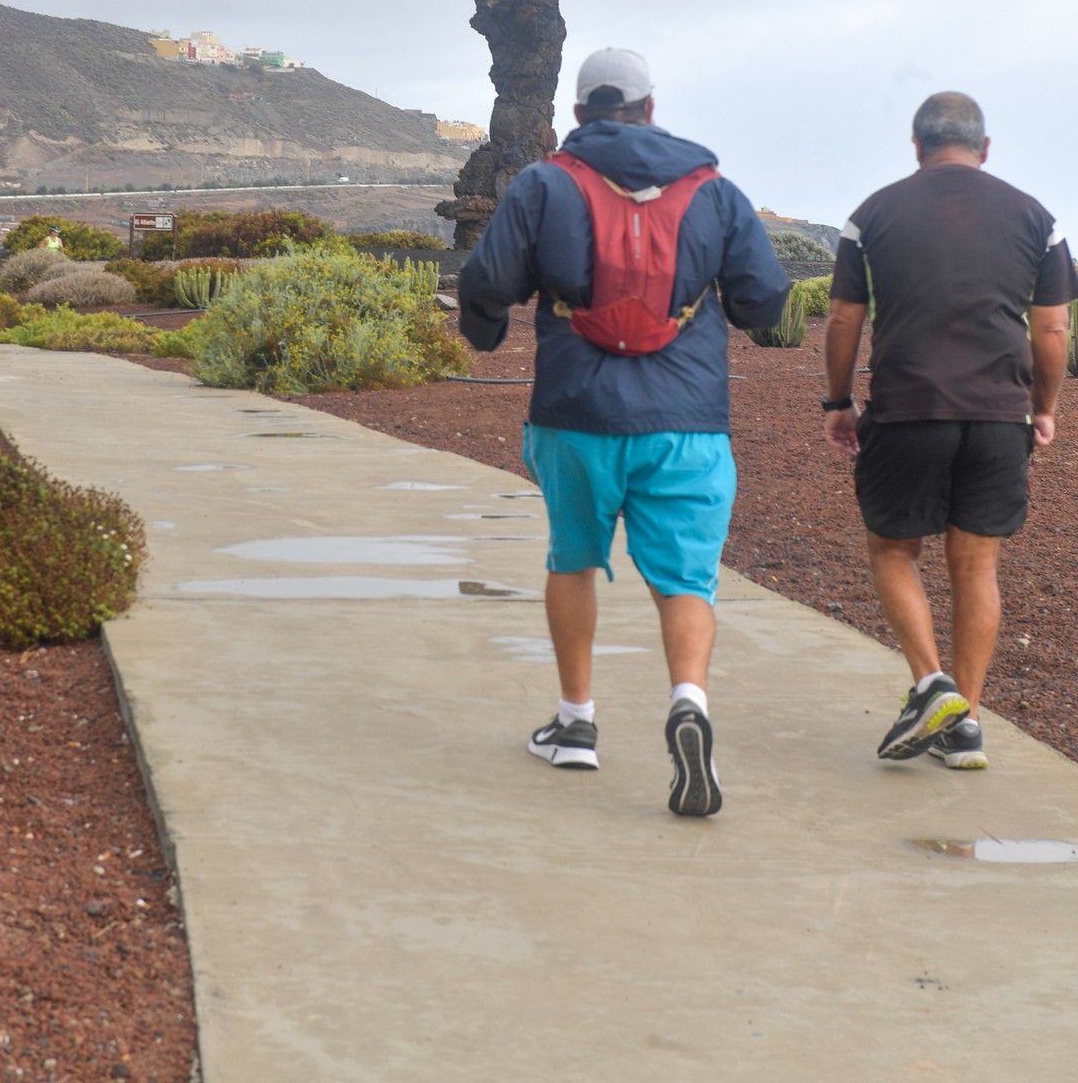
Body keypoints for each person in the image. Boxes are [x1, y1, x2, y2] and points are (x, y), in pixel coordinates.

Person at [459, 48, 789, 816]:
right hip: (688, 422)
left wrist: (483, 331)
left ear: (579, 115)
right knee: (686, 579)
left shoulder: (546, 182)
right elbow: (765, 301)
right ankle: (689, 703)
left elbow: (487, 280)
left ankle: (576, 725)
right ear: (650, 108)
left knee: (572, 557)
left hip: (575, 413)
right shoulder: (715, 192)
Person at [823, 91, 1074, 770]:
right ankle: (963, 725)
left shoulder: (872, 215)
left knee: (893, 550)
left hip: (907, 407)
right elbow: (1051, 328)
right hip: (999, 415)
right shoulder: (1036, 218)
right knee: (976, 566)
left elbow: (844, 317)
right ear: (984, 148)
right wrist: (1044, 406)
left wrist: (838, 401)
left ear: (917, 146)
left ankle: (932, 685)